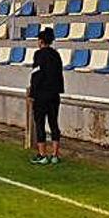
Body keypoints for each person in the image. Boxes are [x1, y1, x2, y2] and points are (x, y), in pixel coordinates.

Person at [28, 27, 65, 165]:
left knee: (40, 123)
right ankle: (55, 154)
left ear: (41, 41)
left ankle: (42, 154)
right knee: (54, 123)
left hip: (42, 94)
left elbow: (36, 74)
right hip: (54, 94)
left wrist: (32, 93)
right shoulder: (56, 55)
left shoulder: (39, 55)